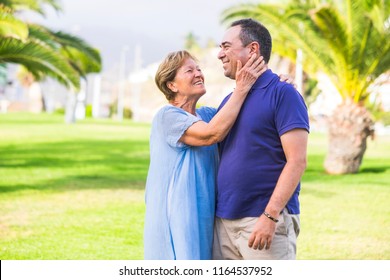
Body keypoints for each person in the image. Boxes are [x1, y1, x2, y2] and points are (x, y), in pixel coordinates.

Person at [143, 50, 266, 260]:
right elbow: (211, 135)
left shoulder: (208, 115)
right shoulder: (167, 116)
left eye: (198, 69)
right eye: (189, 70)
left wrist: (278, 85)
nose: (198, 74)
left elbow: (240, 113)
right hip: (176, 218)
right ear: (171, 85)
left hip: (203, 217)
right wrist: (242, 87)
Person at [213, 18, 310, 260]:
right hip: (224, 223)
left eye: (226, 46)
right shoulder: (229, 101)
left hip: (263, 221)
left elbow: (297, 161)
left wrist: (270, 216)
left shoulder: (283, 93)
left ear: (253, 49)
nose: (219, 54)